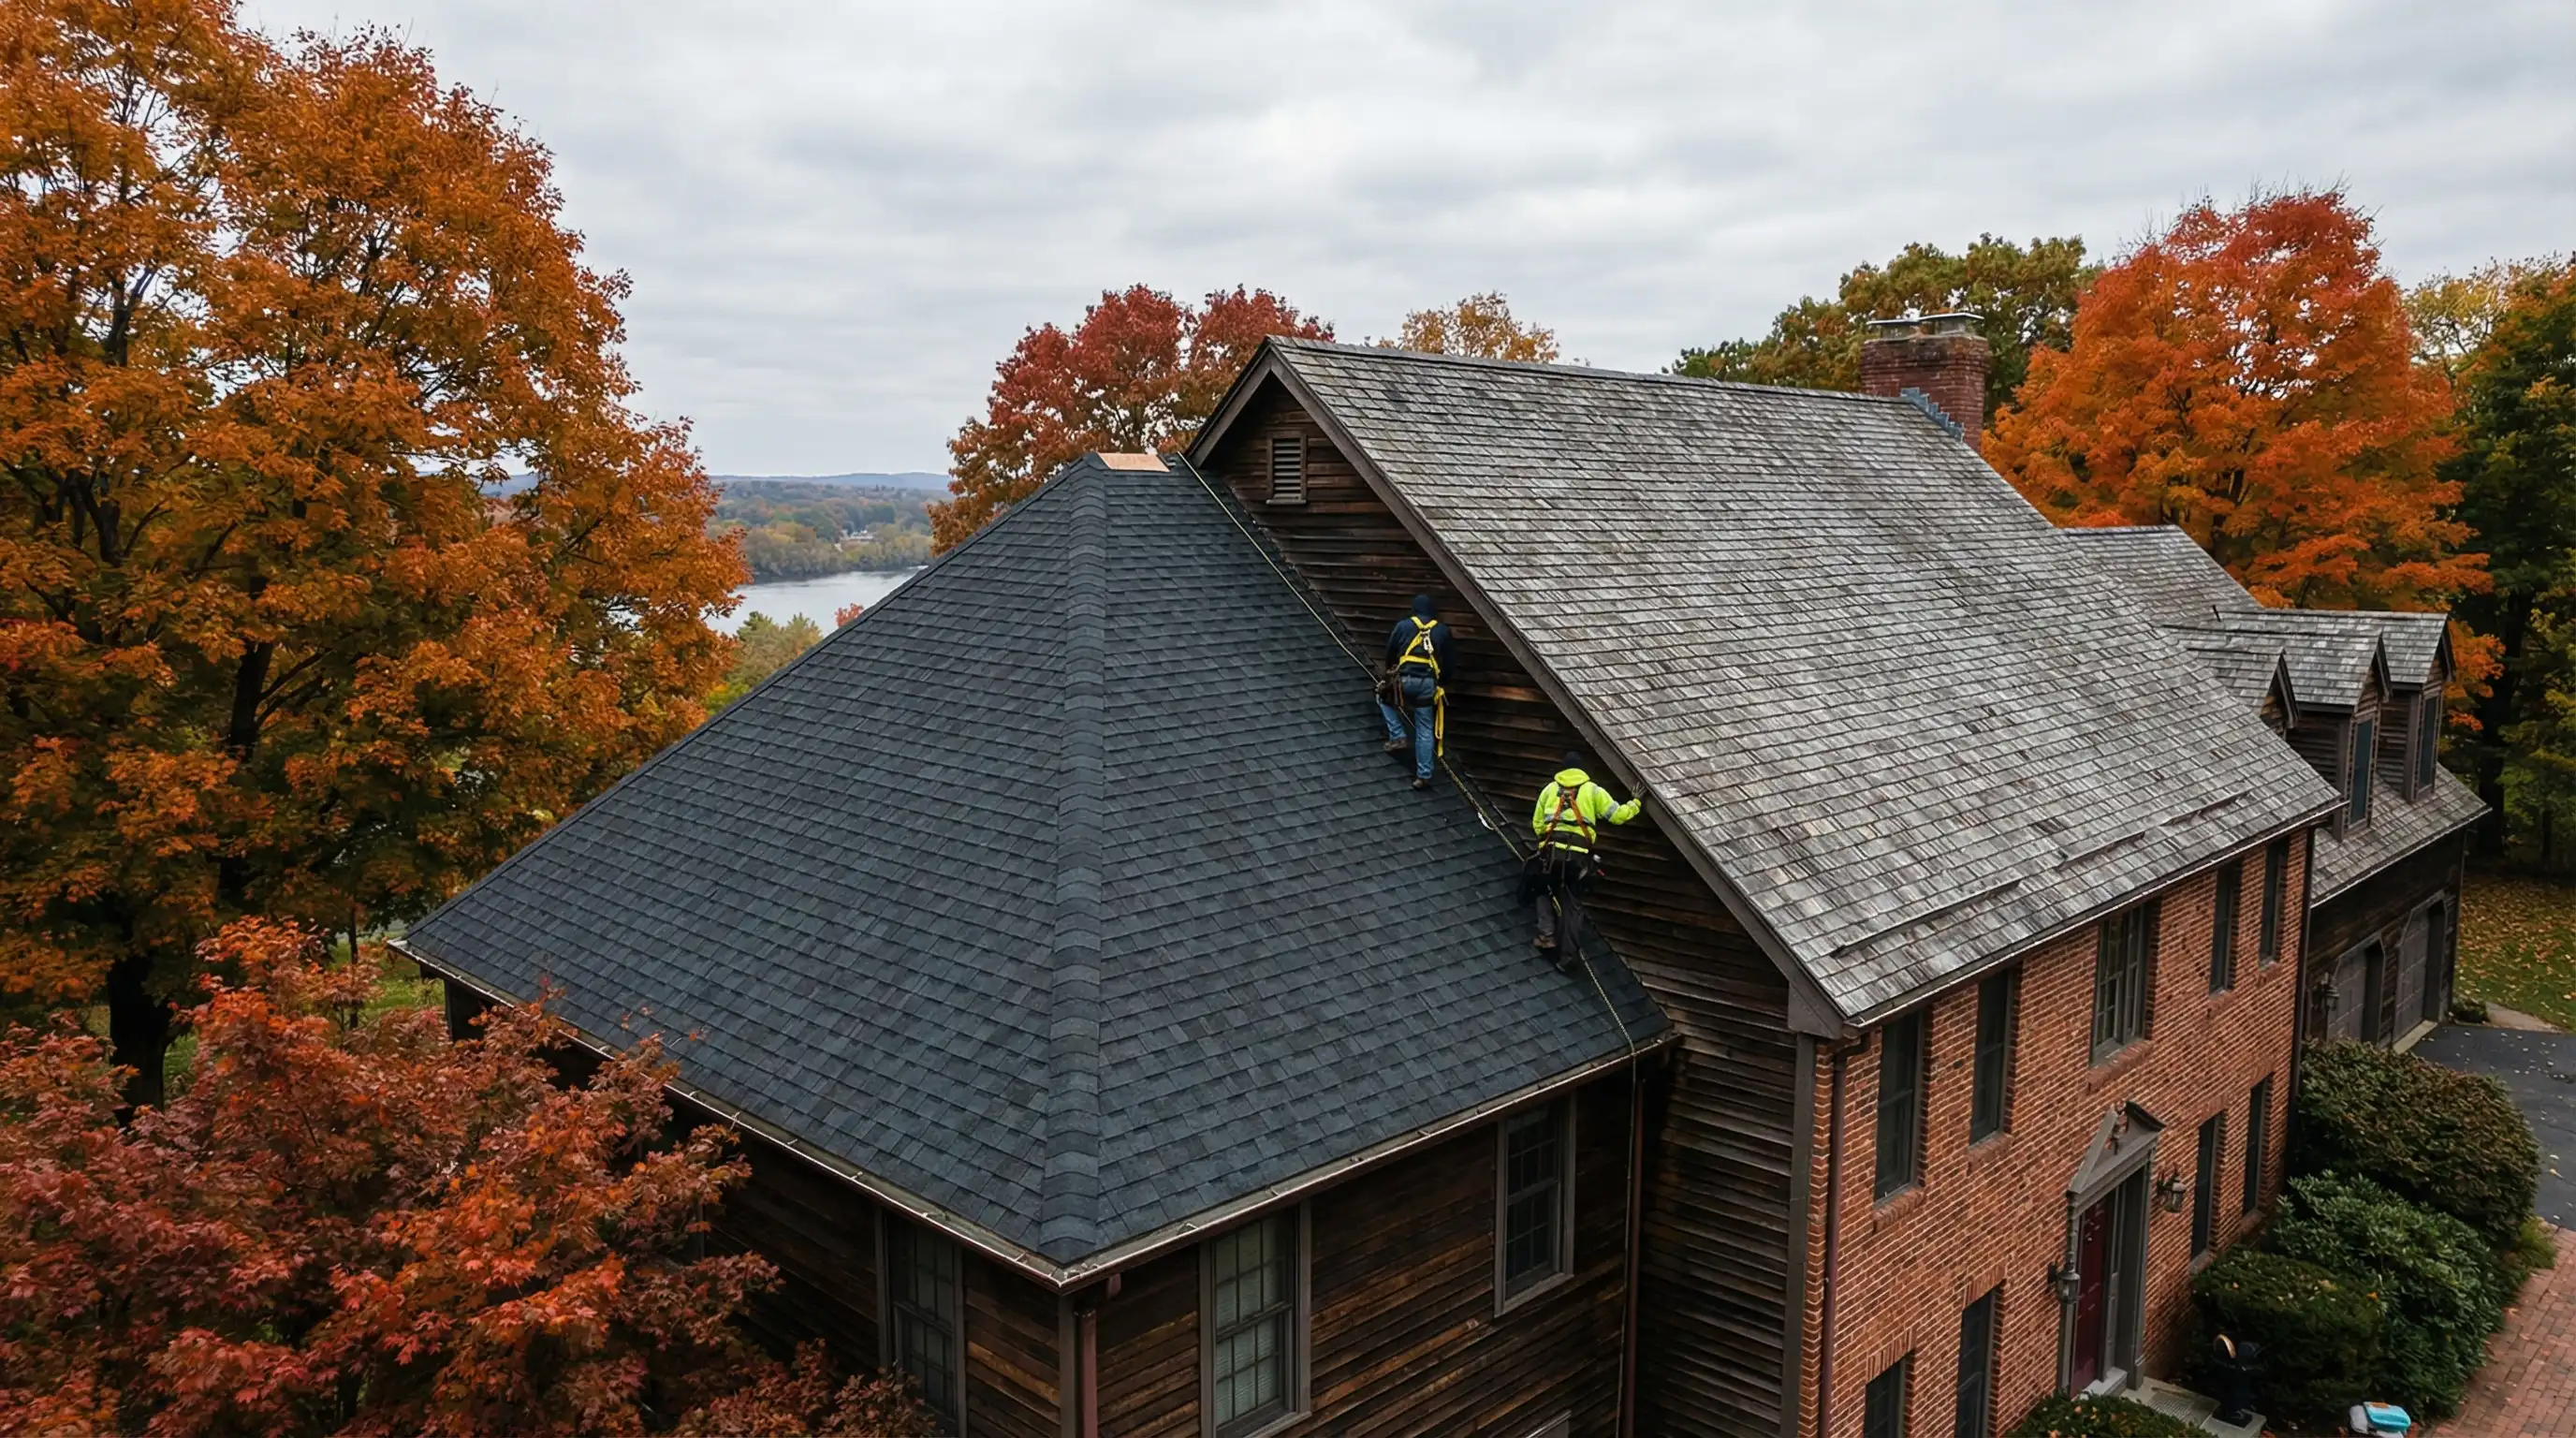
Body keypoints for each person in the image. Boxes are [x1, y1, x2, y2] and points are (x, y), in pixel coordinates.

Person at [1524, 752, 1642, 961]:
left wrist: (1545, 844)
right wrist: (1636, 803)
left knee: (1541, 889)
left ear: (1563, 769)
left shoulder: (1550, 789)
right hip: (1577, 860)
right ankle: (1568, 958)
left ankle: (1546, 936)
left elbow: (1537, 824)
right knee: (1572, 906)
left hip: (1551, 855)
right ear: (1581, 771)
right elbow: (1617, 816)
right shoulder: (1593, 791)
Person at [1379, 594, 1452, 791]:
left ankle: (1398, 735)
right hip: (1428, 683)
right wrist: (1442, 681)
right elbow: (1449, 662)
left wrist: (1388, 676)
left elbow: (1390, 651)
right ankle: (1424, 775)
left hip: (1404, 679)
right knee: (1424, 728)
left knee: (1383, 698)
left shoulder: (1404, 626)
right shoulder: (1442, 631)